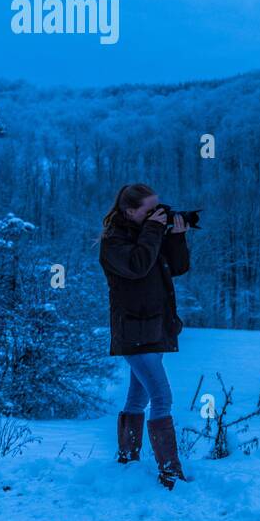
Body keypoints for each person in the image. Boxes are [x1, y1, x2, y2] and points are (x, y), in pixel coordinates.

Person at [99, 183, 192, 489]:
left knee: (137, 397)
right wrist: (154, 230)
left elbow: (176, 268)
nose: (157, 213)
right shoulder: (114, 241)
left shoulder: (148, 232)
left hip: (155, 326)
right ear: (130, 211)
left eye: (158, 206)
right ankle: (170, 471)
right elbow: (138, 266)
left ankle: (127, 461)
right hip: (134, 330)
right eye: (149, 209)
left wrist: (176, 237)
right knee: (162, 397)